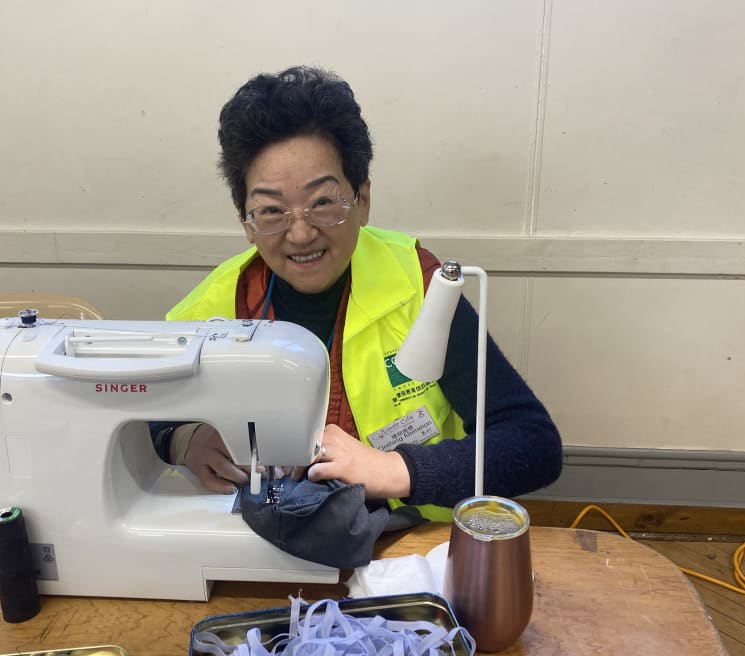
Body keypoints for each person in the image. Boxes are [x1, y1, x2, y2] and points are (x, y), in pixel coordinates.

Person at [152, 65, 562, 522]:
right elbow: (147, 415)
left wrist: (397, 469)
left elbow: (533, 442)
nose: (301, 233)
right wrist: (184, 439)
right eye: (271, 211)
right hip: (271, 548)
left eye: (323, 202)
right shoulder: (212, 308)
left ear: (362, 200)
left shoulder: (417, 286)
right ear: (246, 222)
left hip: (410, 555)